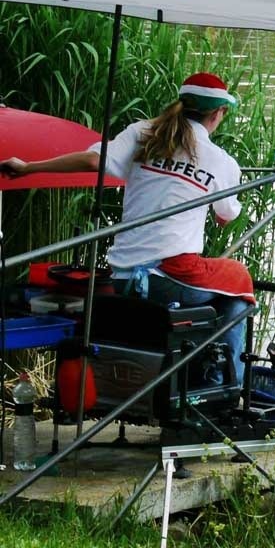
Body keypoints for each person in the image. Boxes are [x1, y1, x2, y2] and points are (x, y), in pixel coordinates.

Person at [1, 72, 254, 386]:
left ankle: (188, 380)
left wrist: (28, 168)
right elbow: (226, 215)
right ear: (218, 113)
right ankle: (224, 385)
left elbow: (94, 161)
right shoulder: (222, 162)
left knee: (225, 284)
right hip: (169, 278)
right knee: (239, 283)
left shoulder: (142, 132)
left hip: (121, 275)